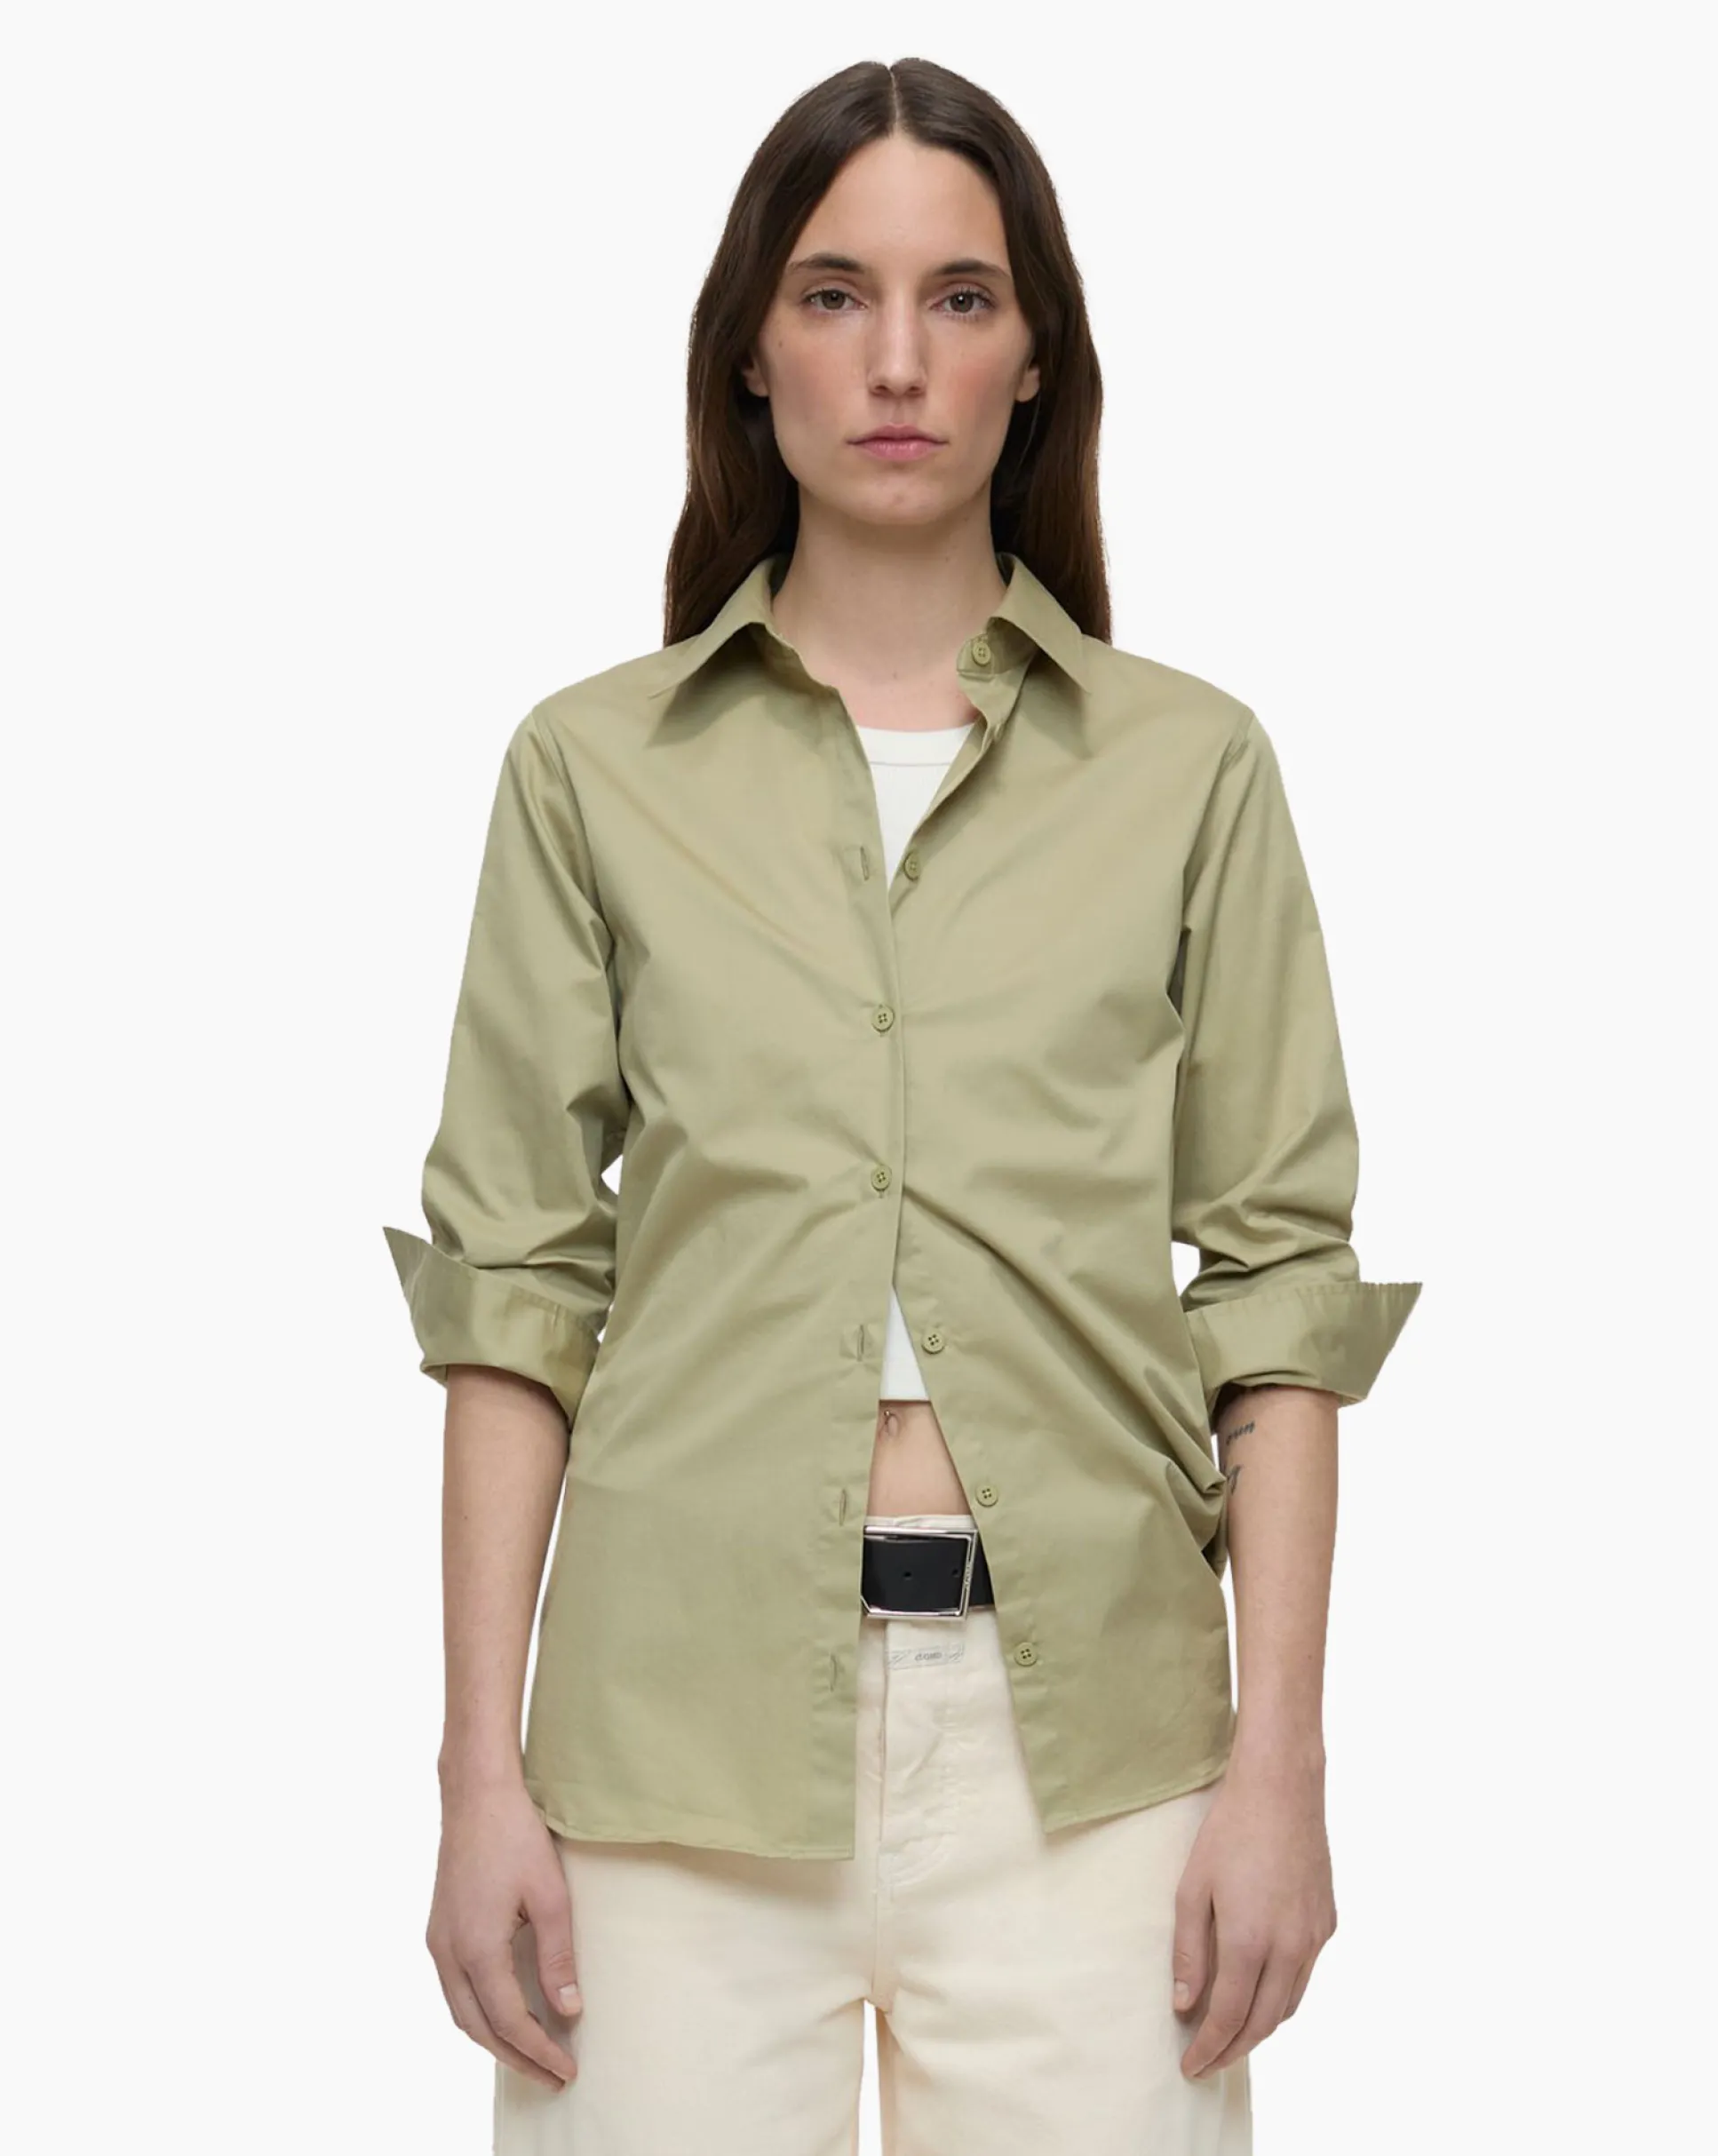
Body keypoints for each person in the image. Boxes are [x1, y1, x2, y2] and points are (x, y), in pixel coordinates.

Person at [380, 55, 1421, 2156]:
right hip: (666, 1748)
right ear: (748, 347)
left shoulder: (1190, 771)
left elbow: (1277, 1289)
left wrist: (1280, 1767)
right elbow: (515, 1293)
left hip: (1095, 1764)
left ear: (1035, 360)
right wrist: (478, 1776)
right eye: (833, 293)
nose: (894, 361)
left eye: (960, 298)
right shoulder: (590, 772)